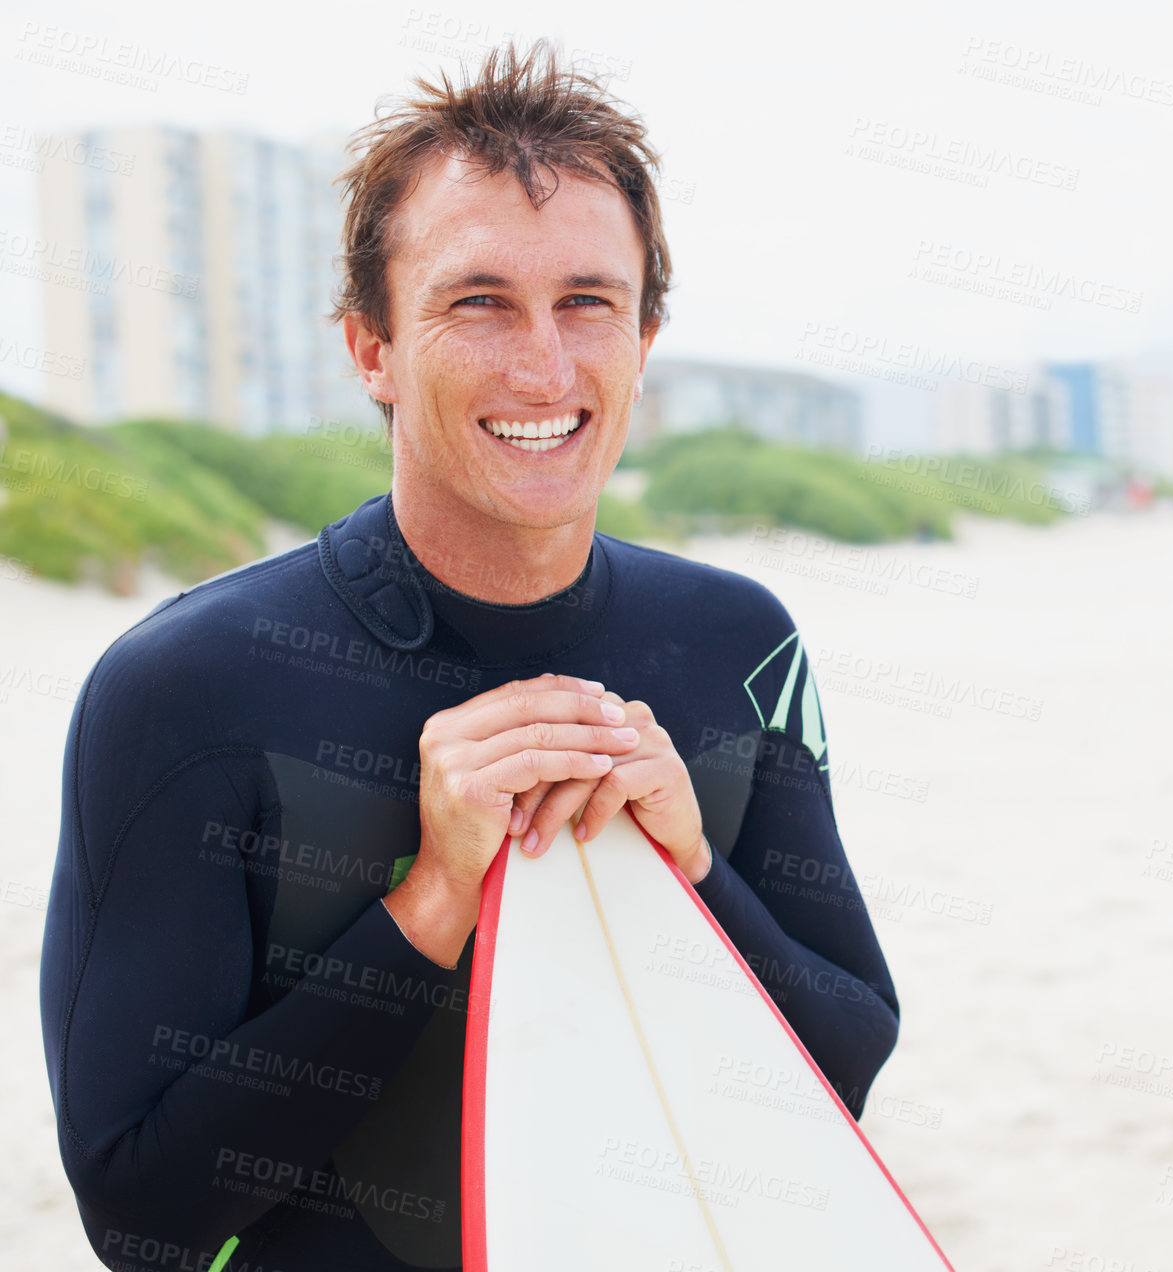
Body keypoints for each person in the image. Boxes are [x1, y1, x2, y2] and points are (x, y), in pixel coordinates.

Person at [40, 40, 899, 1271]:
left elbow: (846, 1069)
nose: (543, 365)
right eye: (477, 299)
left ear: (645, 340)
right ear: (371, 347)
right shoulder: (190, 688)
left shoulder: (736, 642)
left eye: (588, 302)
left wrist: (694, 869)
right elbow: (139, 1211)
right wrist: (430, 901)